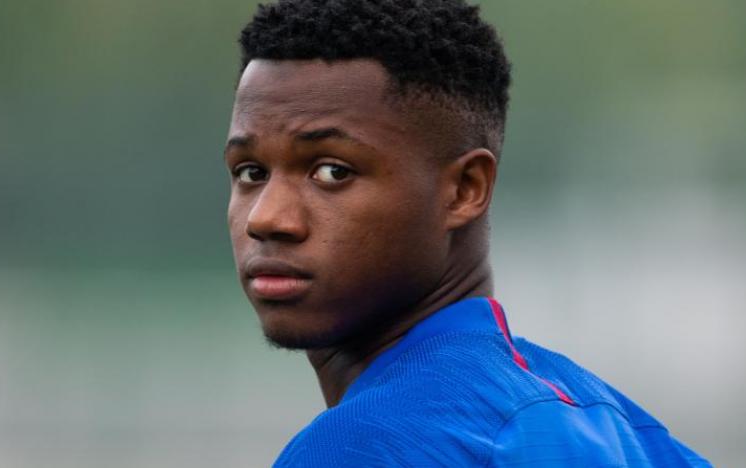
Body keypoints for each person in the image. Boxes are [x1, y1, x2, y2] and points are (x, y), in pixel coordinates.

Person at [224, 0, 711, 466]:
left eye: (332, 172)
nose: (265, 218)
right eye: (250, 172)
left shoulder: (368, 447)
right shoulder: (633, 436)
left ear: (464, 189)